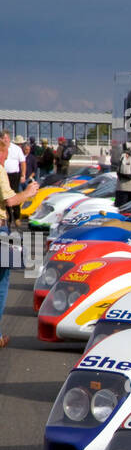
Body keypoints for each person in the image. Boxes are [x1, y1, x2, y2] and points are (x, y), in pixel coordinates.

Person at [0, 134, 38, 345]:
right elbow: (11, 199)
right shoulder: (0, 171)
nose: (7, 156)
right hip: (1, 228)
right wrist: (29, 193)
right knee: (3, 280)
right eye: (5, 152)